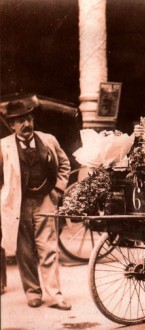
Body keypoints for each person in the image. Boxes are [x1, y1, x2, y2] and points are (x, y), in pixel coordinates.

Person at [0, 100, 71, 310]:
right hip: (18, 205)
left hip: (44, 202)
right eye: (20, 121)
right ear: (12, 125)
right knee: (25, 251)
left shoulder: (48, 140)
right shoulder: (3, 146)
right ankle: (33, 293)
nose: (26, 124)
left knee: (48, 249)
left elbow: (64, 164)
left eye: (29, 119)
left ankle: (55, 295)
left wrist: (57, 190)